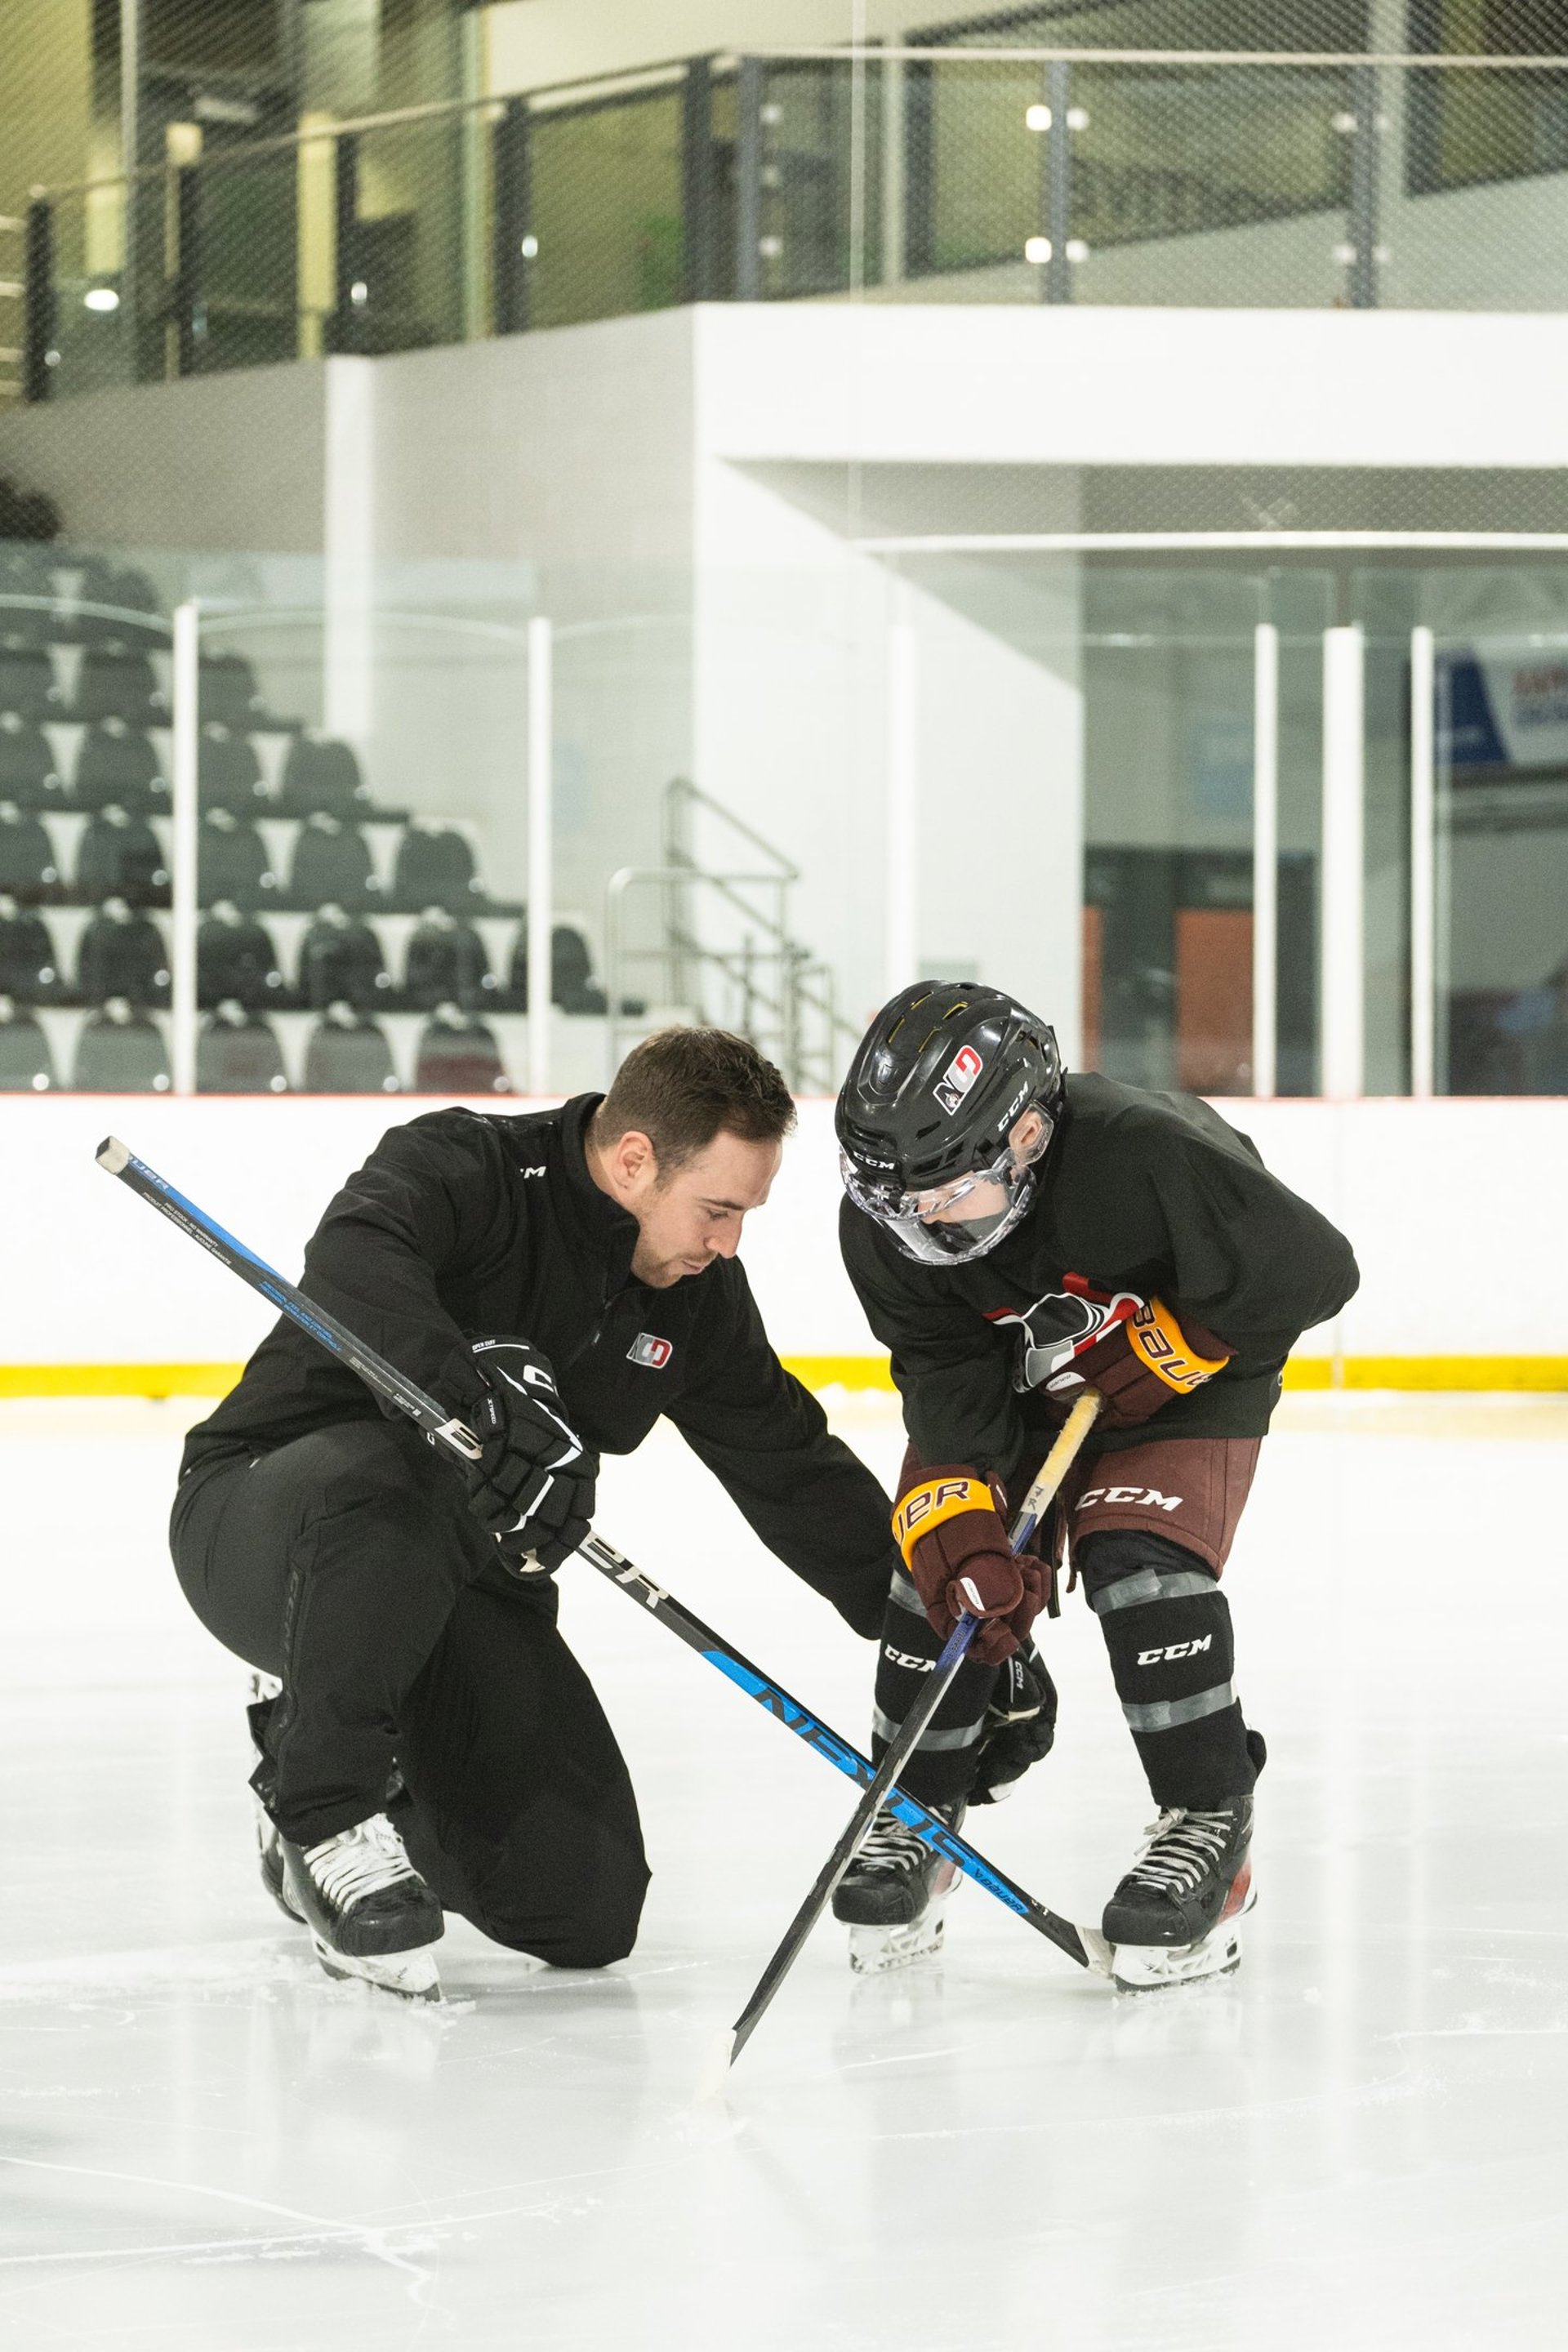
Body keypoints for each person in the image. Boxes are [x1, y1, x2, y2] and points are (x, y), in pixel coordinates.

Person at [170, 1027, 900, 1997]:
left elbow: (792, 1464)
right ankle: (324, 1812)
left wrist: (935, 1619)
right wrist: (473, 1397)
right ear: (635, 1161)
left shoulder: (696, 1296)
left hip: (462, 1583)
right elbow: (355, 1258)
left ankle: (355, 1772)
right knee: (414, 1465)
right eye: (718, 1210)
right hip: (268, 1527)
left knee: (582, 1906)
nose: (728, 1244)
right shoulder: (465, 1165)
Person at [831, 982, 1359, 1988]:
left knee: (1137, 1561)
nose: (921, 1228)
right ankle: (915, 1810)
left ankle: (1209, 1820)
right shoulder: (890, 1219)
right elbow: (942, 1372)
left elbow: (1313, 1270)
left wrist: (1179, 1343)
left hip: (1192, 1378)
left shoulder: (1146, 1152)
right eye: (899, 1205)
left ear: (1027, 1136)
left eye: (948, 1198)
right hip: (1011, 1383)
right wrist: (964, 1513)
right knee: (939, 1561)